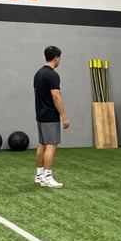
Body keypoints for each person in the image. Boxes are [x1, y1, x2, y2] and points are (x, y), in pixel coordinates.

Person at [33, 45, 69, 188]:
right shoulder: (53, 75)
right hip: (50, 116)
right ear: (56, 58)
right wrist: (64, 116)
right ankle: (47, 177)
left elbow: (36, 94)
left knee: (42, 144)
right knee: (51, 145)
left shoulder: (38, 74)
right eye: (59, 58)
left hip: (40, 114)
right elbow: (56, 97)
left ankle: (39, 175)